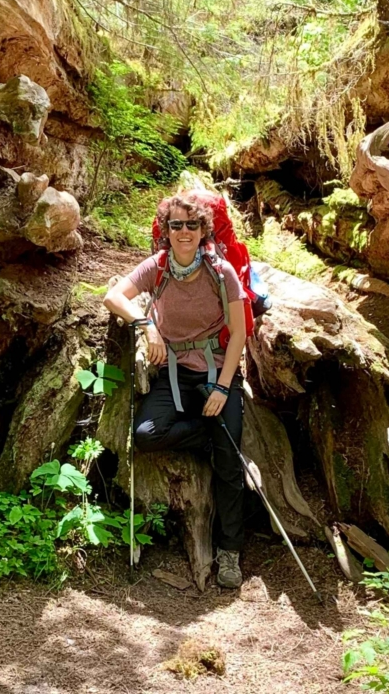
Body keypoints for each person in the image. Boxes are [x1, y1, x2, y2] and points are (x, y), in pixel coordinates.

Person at [103, 191, 248, 589]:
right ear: (166, 231)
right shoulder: (159, 266)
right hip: (174, 372)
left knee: (230, 461)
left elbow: (238, 334)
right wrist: (147, 324)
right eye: (176, 225)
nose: (184, 232)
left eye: (192, 225)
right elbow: (114, 296)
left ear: (204, 230)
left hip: (216, 369)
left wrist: (222, 388)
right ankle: (208, 435)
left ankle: (230, 551)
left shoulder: (221, 272)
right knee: (146, 435)